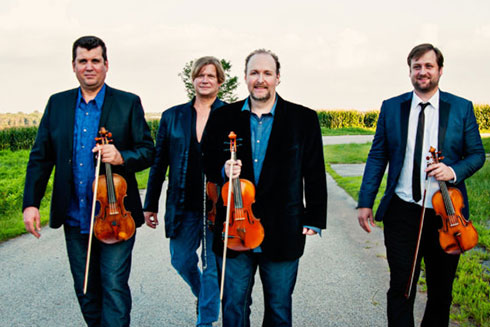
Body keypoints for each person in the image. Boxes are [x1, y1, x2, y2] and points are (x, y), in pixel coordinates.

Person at [22, 35, 155, 327]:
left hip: (117, 217)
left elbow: (148, 151)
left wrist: (121, 157)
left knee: (114, 287)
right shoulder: (57, 104)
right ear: (73, 66)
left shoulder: (128, 103)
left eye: (96, 60)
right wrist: (30, 203)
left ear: (106, 65)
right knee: (85, 290)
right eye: (83, 61)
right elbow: (40, 157)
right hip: (75, 216)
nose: (89, 67)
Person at [357, 43, 485, 327]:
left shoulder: (461, 107)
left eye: (428, 66)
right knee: (401, 288)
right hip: (402, 212)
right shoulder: (392, 107)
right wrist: (365, 200)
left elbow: (477, 154)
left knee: (441, 292)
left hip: (447, 216)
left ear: (440, 70)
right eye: (417, 66)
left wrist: (452, 170)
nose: (422, 72)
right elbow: (378, 154)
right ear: (410, 71)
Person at [202, 49, 327, 327]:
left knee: (279, 308)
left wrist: (315, 218)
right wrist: (223, 170)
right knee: (233, 307)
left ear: (278, 78)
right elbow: (207, 160)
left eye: (267, 73)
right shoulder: (223, 117)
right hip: (234, 228)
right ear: (245, 77)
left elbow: (315, 172)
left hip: (283, 228)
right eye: (254, 73)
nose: (260, 79)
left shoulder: (303, 118)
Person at [143, 56, 226, 327]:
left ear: (219, 81)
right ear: (192, 79)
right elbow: (159, 163)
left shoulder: (232, 114)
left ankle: (205, 321)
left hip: (219, 204)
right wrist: (150, 204)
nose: (205, 80)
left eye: (211, 76)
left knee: (213, 266)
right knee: (180, 259)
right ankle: (205, 298)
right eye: (200, 75)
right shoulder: (172, 116)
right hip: (182, 203)